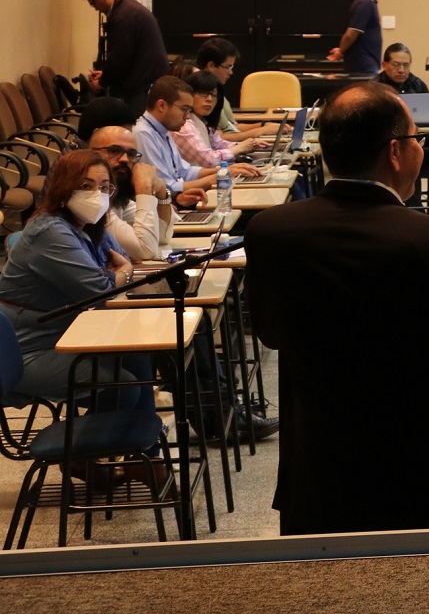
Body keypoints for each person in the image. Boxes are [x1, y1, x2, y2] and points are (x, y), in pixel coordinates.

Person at [246, 83, 429, 535]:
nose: (420, 148)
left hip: (320, 476)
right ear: (395, 151)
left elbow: (271, 332)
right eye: (417, 138)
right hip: (424, 479)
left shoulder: (270, 230)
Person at [0, 150, 153, 415]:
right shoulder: (49, 230)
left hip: (68, 335)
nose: (97, 195)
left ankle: (144, 438)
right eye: (86, 186)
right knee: (123, 386)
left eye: (104, 187)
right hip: (24, 351)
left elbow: (120, 263)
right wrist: (123, 273)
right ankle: (101, 439)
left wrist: (117, 273)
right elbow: (101, 289)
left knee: (137, 355)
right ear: (63, 189)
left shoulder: (89, 225)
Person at [134, 75, 258, 210]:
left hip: (175, 204)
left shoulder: (163, 130)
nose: (187, 116)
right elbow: (166, 187)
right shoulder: (143, 134)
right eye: (184, 109)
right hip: (163, 209)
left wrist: (223, 171)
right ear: (162, 105)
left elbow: (185, 171)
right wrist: (217, 177)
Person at [81, 0, 169, 107]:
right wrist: (105, 74)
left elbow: (119, 58)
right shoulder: (128, 8)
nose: (96, 9)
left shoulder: (122, 16)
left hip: (141, 88)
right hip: (149, 80)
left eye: (94, 3)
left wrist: (101, 82)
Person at [90, 123, 171, 263]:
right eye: (114, 151)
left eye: (131, 154)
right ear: (91, 154)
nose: (125, 159)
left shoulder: (118, 195)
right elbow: (145, 250)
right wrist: (144, 187)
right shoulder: (91, 197)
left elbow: (162, 237)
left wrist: (162, 191)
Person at [376, 42, 429, 177]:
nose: (401, 70)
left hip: (415, 138)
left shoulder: (418, 85)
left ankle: (413, 165)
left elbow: (427, 118)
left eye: (406, 65)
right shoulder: (374, 87)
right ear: (384, 65)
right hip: (387, 139)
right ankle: (405, 166)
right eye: (396, 65)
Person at [192, 38, 278, 144]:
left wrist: (263, 125)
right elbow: (216, 138)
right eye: (228, 67)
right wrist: (259, 132)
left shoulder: (217, 92)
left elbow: (233, 126)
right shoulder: (203, 99)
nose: (231, 72)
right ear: (212, 66)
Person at [174, 70, 255, 170]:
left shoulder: (202, 121)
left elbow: (218, 144)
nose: (209, 99)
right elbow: (208, 161)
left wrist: (248, 145)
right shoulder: (185, 125)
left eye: (213, 95)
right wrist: (240, 148)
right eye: (203, 93)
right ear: (189, 94)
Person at [328, 0, 389, 78]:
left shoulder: (369, 2)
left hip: (366, 63)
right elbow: (351, 34)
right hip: (363, 65)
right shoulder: (365, 3)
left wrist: (341, 50)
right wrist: (341, 51)